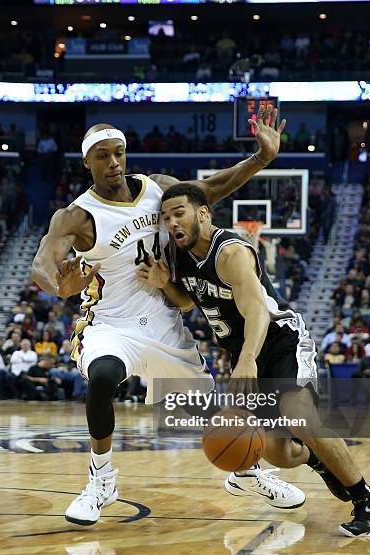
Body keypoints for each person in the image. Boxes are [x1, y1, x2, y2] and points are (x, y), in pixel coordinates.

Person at [30, 105, 299, 526]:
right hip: (109, 325)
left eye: (118, 152)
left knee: (211, 410)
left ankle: (246, 471)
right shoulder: (77, 215)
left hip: (161, 320)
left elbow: (207, 191)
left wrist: (260, 159)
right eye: (102, 155)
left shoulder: (156, 190)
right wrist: (58, 284)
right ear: (87, 162)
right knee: (102, 378)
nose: (113, 162)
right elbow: (43, 264)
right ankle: (102, 480)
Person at [137, 182, 370, 538]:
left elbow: (257, 312)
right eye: (166, 218)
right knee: (275, 452)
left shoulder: (231, 253)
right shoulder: (179, 255)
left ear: (202, 213)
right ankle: (319, 459)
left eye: (179, 213)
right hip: (244, 351)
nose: (172, 223)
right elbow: (189, 301)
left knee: (300, 414)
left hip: (279, 341)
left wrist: (247, 359)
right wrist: (165, 283)